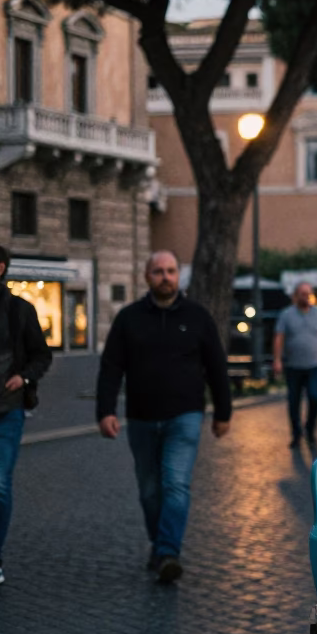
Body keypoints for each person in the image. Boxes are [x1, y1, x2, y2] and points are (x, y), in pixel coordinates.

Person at [97, 250, 230, 583]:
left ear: (179, 274)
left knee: (175, 484)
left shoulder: (198, 317)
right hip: (141, 417)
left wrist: (223, 412)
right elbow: (111, 367)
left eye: (171, 271)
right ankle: (159, 546)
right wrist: (105, 410)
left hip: (184, 415)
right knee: (148, 491)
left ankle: (169, 552)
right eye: (158, 271)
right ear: (146, 277)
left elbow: (216, 366)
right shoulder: (128, 318)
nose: (165, 277)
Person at [0, 243, 52, 586]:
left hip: (5, 411)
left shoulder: (18, 311)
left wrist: (23, 377)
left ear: (0, 268)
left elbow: (42, 356)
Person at [272, 281, 317, 449]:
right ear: (296, 296)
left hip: (315, 365)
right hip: (293, 366)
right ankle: (296, 433)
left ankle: (310, 429)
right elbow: (279, 337)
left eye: (309, 294)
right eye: (303, 294)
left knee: (315, 397)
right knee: (294, 401)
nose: (306, 297)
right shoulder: (286, 315)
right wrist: (277, 360)